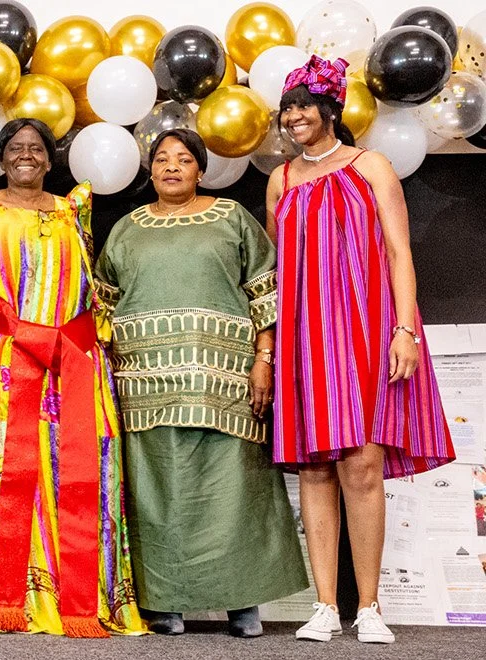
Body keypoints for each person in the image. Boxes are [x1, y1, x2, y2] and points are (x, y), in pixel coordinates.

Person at [266, 56, 454, 645]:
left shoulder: (371, 165)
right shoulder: (281, 180)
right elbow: (278, 272)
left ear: (329, 112)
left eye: (302, 107)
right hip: (306, 335)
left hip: (367, 328)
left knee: (363, 463)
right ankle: (324, 605)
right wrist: (272, 349)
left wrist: (405, 330)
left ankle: (368, 606)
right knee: (317, 467)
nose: (293, 117)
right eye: (287, 110)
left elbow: (400, 253)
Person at [96, 129, 307, 638]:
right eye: (163, 159)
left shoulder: (231, 217)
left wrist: (265, 359)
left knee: (231, 488)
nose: (172, 167)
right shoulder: (127, 228)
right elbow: (102, 305)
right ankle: (164, 603)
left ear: (201, 169)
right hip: (144, 385)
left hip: (225, 380)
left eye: (184, 159)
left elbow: (265, 292)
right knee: (156, 491)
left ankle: (241, 603)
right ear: (150, 170)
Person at [0, 118, 145, 638]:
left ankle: (86, 599)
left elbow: (93, 286)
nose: (26, 155)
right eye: (15, 148)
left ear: (50, 160)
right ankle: (14, 598)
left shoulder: (75, 208)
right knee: (11, 475)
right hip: (6, 365)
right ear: (2, 156)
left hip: (75, 361)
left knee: (81, 474)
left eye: (36, 148)